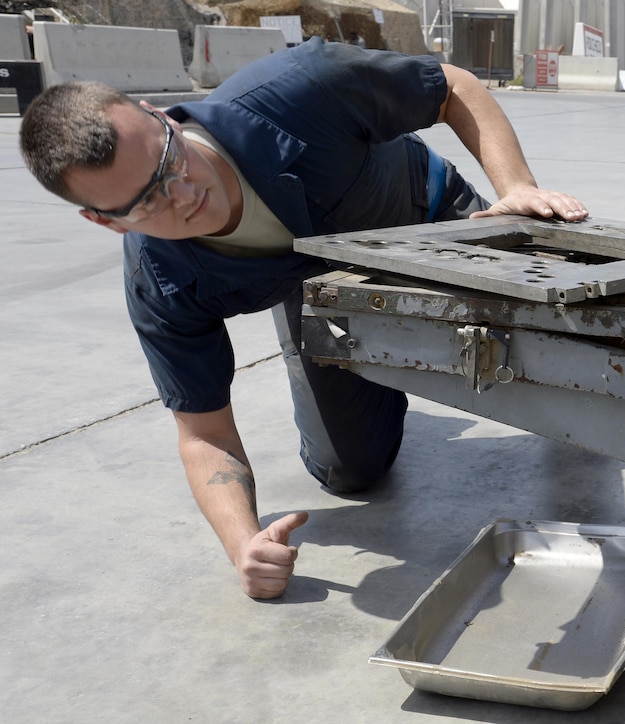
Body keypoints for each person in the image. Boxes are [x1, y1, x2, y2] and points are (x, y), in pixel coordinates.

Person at [19, 39, 588, 600]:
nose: (183, 194)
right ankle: (338, 357)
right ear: (106, 222)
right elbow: (203, 432)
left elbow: (452, 87)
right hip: (316, 295)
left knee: (570, 332)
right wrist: (243, 544)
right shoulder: (162, 279)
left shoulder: (301, 88)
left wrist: (516, 187)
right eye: (147, 203)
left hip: (426, 220)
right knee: (351, 471)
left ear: (158, 115)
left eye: (169, 159)